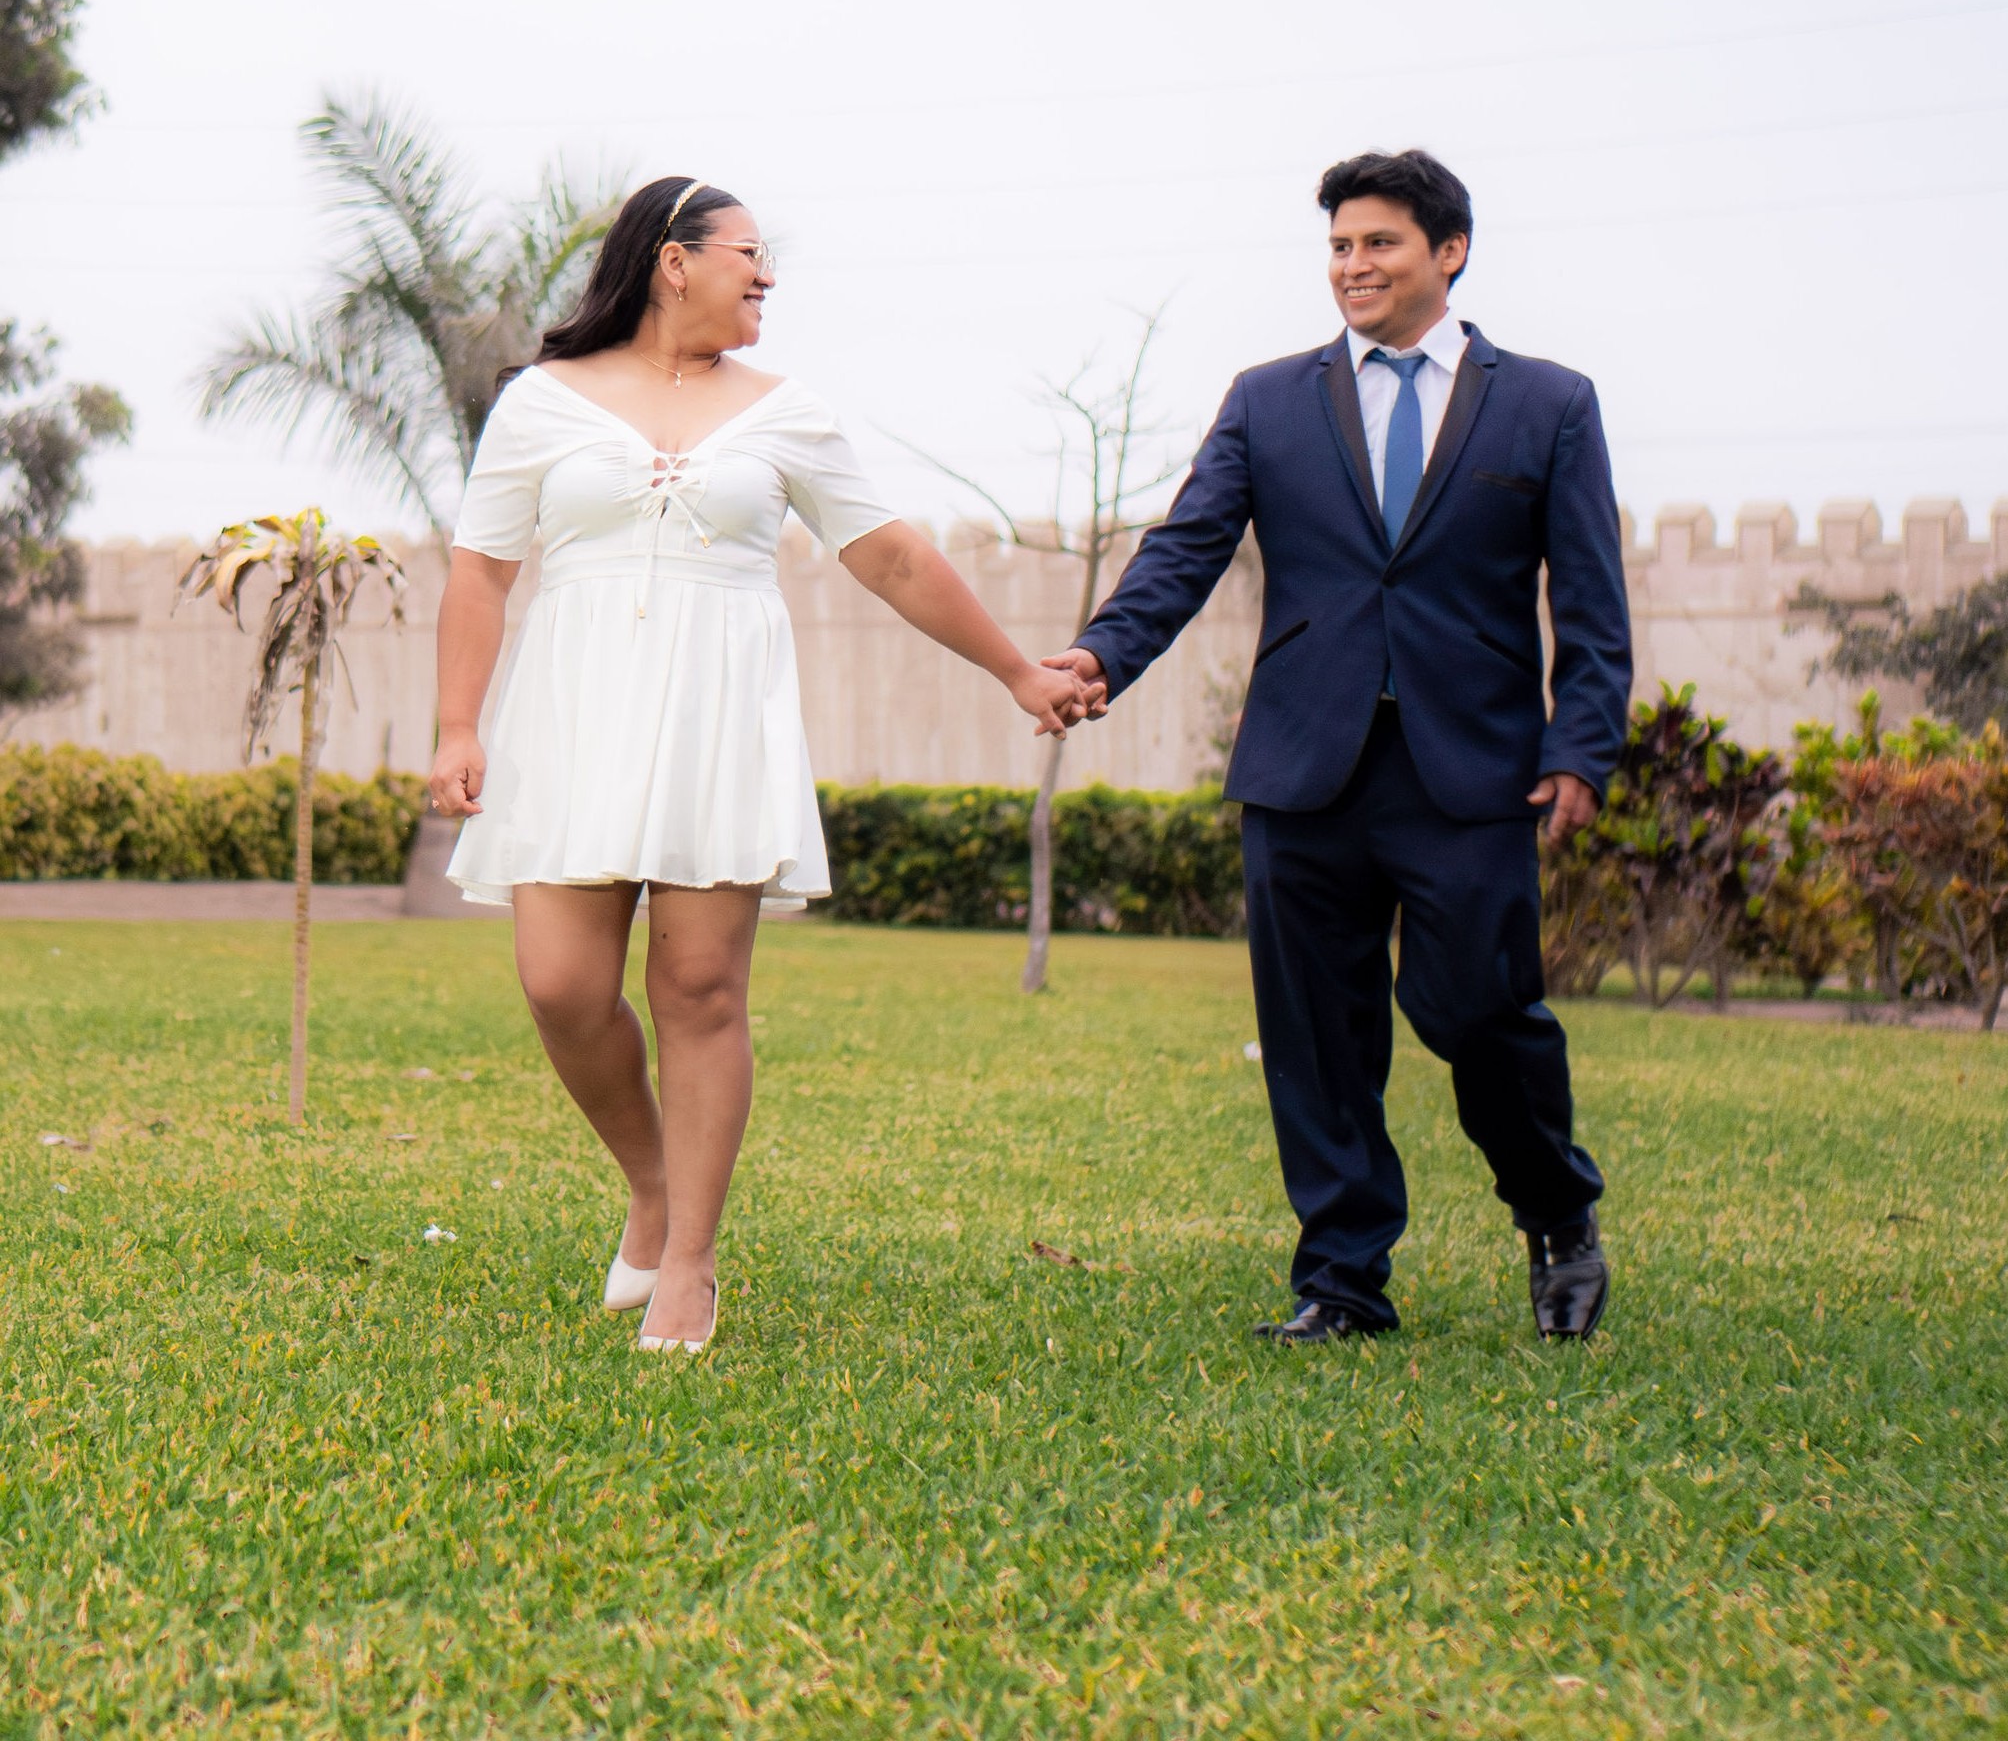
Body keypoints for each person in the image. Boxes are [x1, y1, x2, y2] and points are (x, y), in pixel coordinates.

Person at [429, 176, 1090, 1352]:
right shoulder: (539, 401)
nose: (767, 276)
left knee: (699, 990)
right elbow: (481, 571)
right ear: (671, 261)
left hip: (717, 719)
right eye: (748, 254)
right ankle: (651, 1187)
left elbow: (889, 556)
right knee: (561, 986)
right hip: (572, 717)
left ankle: (688, 1262)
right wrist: (456, 726)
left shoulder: (787, 413)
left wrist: (1014, 671)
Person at [1047, 150, 1631, 1342]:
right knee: (1316, 1035)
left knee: (1481, 1012)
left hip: (1472, 770)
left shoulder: (1546, 403)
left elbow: (1588, 596)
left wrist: (1580, 746)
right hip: (1302, 766)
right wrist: (1104, 653)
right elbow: (1186, 547)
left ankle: (1555, 1213)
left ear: (1447, 253)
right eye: (1338, 247)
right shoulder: (1268, 400)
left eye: (1377, 243)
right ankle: (1342, 1281)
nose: (1351, 266)